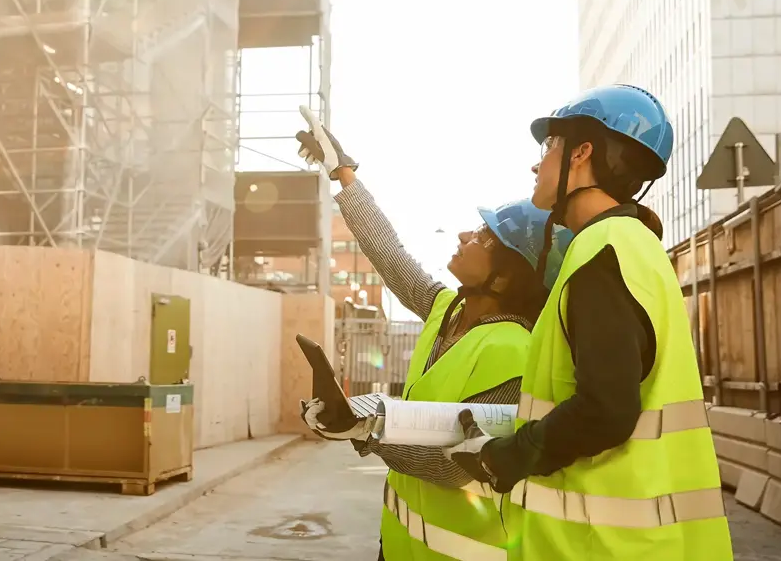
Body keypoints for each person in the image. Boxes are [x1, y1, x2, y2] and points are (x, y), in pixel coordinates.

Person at [452, 84, 734, 560]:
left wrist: (507, 457)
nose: (536, 165)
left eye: (549, 148)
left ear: (582, 152)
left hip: (599, 546)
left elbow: (606, 410)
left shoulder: (601, 255)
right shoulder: (633, 246)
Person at [293, 107, 571, 561]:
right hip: (401, 545)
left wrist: (365, 429)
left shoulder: (517, 351)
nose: (465, 233)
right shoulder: (447, 308)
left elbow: (456, 466)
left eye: (483, 236)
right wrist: (344, 174)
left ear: (503, 280)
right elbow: (390, 254)